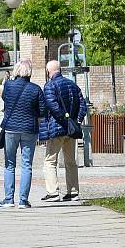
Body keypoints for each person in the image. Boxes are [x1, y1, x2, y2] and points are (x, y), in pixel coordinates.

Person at [0, 59, 46, 208]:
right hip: (29, 130)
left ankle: (8, 199)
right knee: (27, 165)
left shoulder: (8, 86)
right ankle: (23, 200)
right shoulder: (36, 89)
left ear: (17, 71)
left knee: (9, 164)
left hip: (11, 128)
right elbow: (43, 111)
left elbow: (5, 101)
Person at [40, 60, 86, 202]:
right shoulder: (73, 85)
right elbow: (83, 105)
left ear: (49, 72)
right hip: (71, 130)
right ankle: (73, 192)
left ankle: (53, 192)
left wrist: (64, 121)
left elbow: (52, 107)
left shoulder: (49, 86)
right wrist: (75, 121)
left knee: (50, 161)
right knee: (71, 161)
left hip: (57, 129)